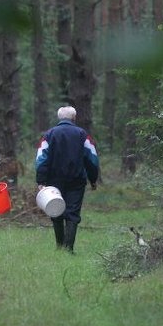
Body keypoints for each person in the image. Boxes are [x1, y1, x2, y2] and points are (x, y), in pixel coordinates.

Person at [35, 106, 99, 253]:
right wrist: (93, 179)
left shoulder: (49, 135)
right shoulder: (82, 134)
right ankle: (68, 249)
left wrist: (41, 181)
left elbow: (41, 159)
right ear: (74, 118)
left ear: (59, 118)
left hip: (54, 181)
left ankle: (59, 246)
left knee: (55, 210)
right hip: (76, 180)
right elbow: (92, 158)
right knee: (73, 213)